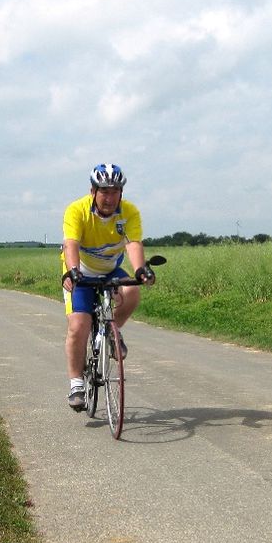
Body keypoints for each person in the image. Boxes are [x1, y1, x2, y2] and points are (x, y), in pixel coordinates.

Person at [61, 163, 155, 411]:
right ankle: (76, 383)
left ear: (121, 193)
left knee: (133, 291)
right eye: (104, 191)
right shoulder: (77, 210)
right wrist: (73, 271)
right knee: (78, 325)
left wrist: (140, 270)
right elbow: (71, 243)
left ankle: (114, 332)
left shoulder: (129, 212)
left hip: (110, 268)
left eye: (115, 191)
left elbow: (133, 243)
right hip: (80, 270)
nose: (109, 197)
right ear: (93, 191)